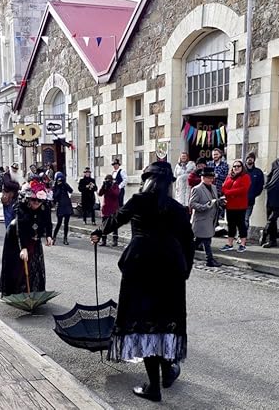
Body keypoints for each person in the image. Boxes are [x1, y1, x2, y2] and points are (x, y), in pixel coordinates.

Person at [90, 162, 195, 403]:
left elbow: (116, 218)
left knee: (145, 323)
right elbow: (189, 242)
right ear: (168, 184)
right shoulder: (177, 208)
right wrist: (185, 270)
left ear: (147, 180)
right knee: (165, 320)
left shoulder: (139, 200)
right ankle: (167, 371)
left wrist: (99, 232)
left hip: (141, 265)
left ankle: (155, 386)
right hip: (171, 267)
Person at [0, 179, 53, 297]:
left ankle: (33, 291)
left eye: (39, 200)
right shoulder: (22, 207)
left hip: (34, 237)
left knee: (33, 264)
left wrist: (49, 235)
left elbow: (48, 222)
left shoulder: (44, 207)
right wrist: (22, 248)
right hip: (15, 237)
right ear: (29, 199)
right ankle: (16, 291)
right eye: (34, 200)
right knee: (18, 265)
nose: (36, 203)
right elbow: (21, 228)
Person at [190, 167, 223, 267]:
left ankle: (185, 254)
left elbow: (214, 200)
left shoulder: (213, 187)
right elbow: (192, 204)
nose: (211, 180)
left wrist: (220, 202)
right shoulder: (197, 189)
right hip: (201, 219)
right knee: (206, 240)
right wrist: (205, 206)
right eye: (208, 178)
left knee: (199, 241)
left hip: (210, 219)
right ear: (202, 178)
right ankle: (210, 260)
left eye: (212, 178)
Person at [220, 160, 251, 252]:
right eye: (234, 166)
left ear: (242, 168)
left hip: (240, 205)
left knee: (241, 224)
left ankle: (242, 244)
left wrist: (228, 192)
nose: (236, 168)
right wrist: (228, 192)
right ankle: (229, 243)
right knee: (231, 225)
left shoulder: (245, 176)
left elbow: (243, 190)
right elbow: (224, 187)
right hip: (230, 205)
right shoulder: (229, 176)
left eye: (238, 166)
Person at [98, 174, 120, 246]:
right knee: (104, 225)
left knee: (114, 225)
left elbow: (116, 194)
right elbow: (100, 194)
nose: (108, 181)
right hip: (106, 207)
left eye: (109, 180)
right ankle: (103, 240)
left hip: (113, 208)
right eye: (106, 180)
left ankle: (115, 241)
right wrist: (103, 186)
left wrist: (110, 187)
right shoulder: (105, 186)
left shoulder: (115, 185)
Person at [244, 152, 264, 233]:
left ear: (254, 160)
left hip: (250, 201)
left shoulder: (258, 172)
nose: (250, 159)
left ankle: (242, 237)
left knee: (246, 218)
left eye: (251, 158)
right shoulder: (241, 171)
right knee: (239, 219)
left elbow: (260, 186)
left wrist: (253, 195)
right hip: (239, 200)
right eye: (248, 157)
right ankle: (239, 235)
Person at [52, 172, 73, 245]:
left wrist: (64, 185)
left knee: (66, 223)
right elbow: (55, 196)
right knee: (59, 223)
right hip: (60, 206)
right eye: (58, 180)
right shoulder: (55, 187)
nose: (60, 182)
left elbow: (71, 190)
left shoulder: (65, 185)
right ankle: (54, 237)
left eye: (61, 180)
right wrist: (59, 188)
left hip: (67, 205)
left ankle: (65, 238)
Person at [2, 162, 23, 228]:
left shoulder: (16, 175)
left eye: (16, 169)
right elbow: (8, 184)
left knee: (14, 215)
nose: (14, 170)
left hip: (15, 197)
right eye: (13, 168)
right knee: (9, 215)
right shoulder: (7, 175)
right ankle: (9, 229)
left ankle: (13, 229)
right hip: (9, 198)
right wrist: (17, 186)